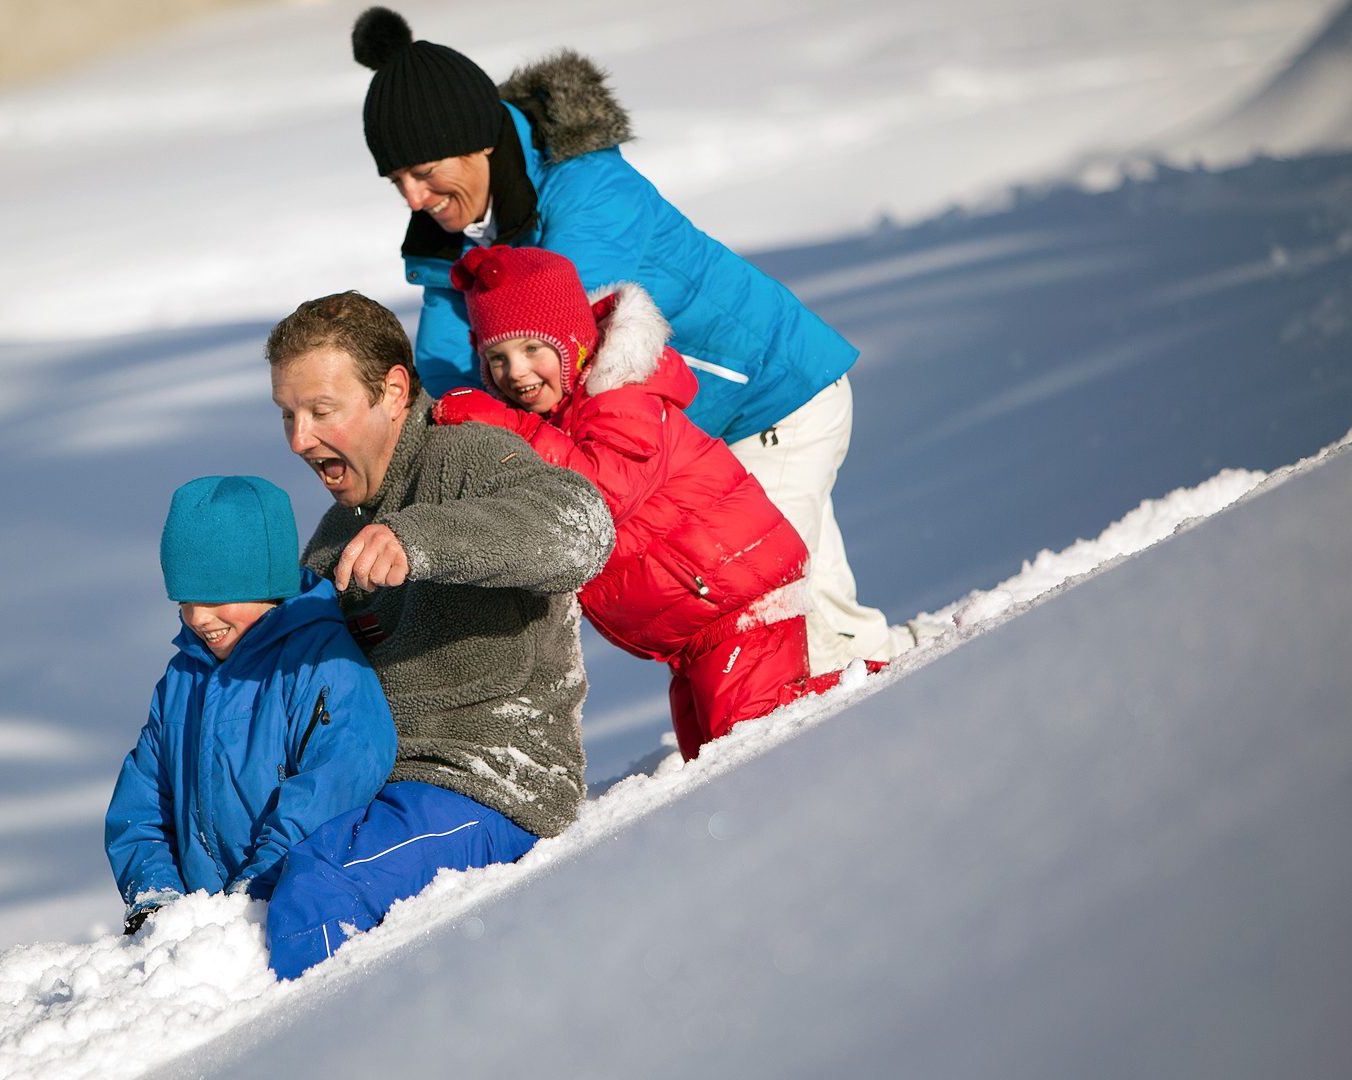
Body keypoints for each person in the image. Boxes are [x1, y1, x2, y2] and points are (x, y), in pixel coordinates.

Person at [348, 6, 937, 671]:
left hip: (771, 398)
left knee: (765, 611)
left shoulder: (588, 194)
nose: (413, 197)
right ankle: (917, 673)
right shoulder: (453, 248)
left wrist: (484, 414)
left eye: (424, 171)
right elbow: (454, 366)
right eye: (396, 181)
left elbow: (558, 348)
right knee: (827, 624)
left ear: (480, 139)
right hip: (698, 446)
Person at [262, 289, 614, 980]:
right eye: (288, 416)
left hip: (492, 778)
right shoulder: (334, 537)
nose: (300, 439)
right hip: (381, 790)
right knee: (266, 876)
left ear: (393, 392)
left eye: (320, 412)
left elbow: (582, 526)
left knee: (320, 885)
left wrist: (420, 539)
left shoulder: (467, 460)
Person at [433, 244, 874, 760]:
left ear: (574, 343)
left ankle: (890, 688)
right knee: (708, 759)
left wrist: (510, 425)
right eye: (497, 359)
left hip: (739, 599)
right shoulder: (556, 423)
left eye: (533, 348)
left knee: (756, 744)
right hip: (693, 630)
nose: (516, 371)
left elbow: (599, 492)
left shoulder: (621, 398)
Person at [103, 475, 397, 935]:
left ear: (268, 583)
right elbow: (142, 803)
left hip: (285, 916)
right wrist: (156, 897)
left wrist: (255, 893)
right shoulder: (183, 678)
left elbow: (334, 787)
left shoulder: (321, 666)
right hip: (207, 929)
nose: (199, 618)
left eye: (217, 597)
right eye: (185, 600)